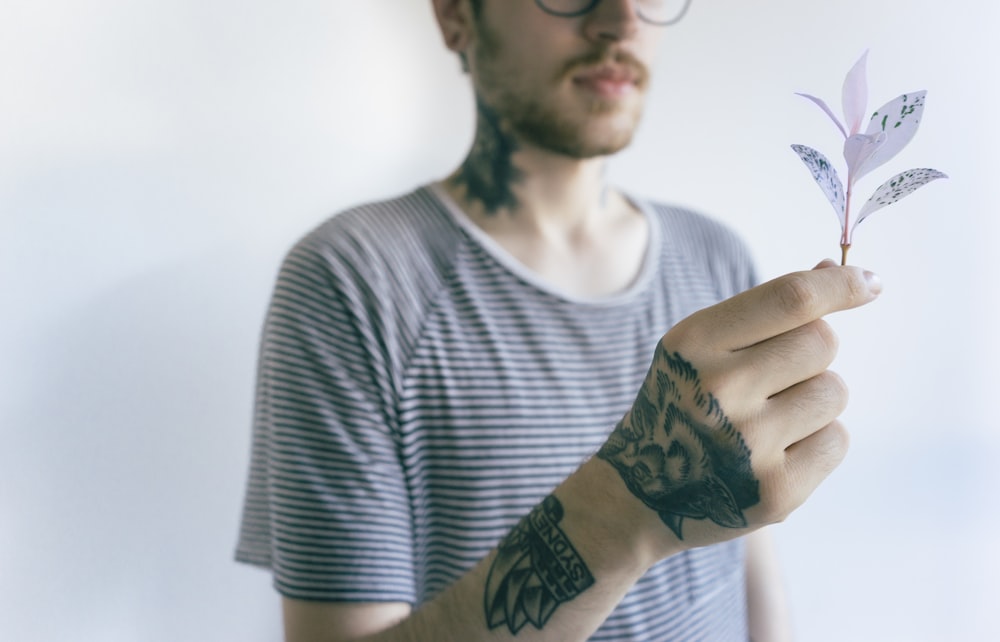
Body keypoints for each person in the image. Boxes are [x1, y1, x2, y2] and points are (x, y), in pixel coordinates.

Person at [235, 1, 882, 640]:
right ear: (456, 16)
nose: (622, 22)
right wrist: (626, 507)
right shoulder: (351, 281)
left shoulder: (715, 256)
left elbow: (748, 571)